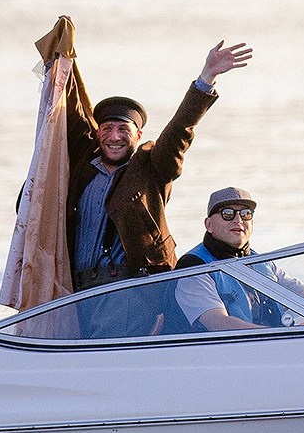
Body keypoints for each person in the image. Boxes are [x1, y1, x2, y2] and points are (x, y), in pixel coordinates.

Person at [66, 40, 252, 293]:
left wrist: (206, 78)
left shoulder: (151, 168)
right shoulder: (81, 170)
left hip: (134, 290)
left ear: (138, 135)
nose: (114, 136)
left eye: (123, 129)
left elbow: (179, 131)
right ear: (98, 134)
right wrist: (59, 64)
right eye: (107, 129)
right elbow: (69, 116)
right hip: (77, 293)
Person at [171, 188, 304, 331]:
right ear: (209, 224)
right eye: (228, 213)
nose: (238, 220)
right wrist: (280, 335)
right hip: (216, 361)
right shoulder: (194, 268)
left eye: (246, 214)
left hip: (265, 350)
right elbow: (218, 323)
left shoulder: (260, 262)